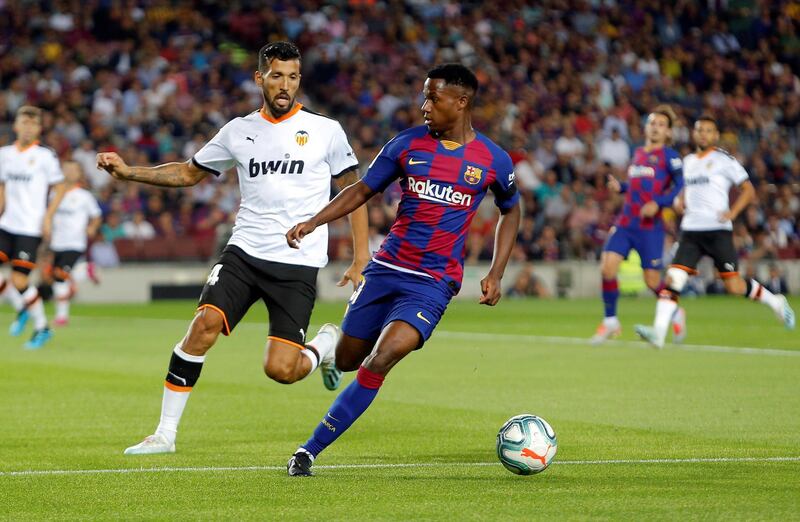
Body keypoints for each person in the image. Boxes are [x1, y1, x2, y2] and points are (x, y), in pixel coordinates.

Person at [97, 41, 369, 455]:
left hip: (297, 263)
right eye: (276, 75)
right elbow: (188, 173)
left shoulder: (325, 131)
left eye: (292, 77)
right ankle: (165, 435)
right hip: (243, 251)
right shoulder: (238, 131)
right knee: (202, 326)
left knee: (281, 369)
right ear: (259, 77)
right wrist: (129, 172)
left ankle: (325, 343)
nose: (285, 85)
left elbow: (355, 190)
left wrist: (360, 255)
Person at [284, 63, 521, 476]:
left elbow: (511, 210)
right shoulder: (406, 144)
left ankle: (308, 450)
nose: (424, 105)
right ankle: (328, 346)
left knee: (383, 357)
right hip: (386, 269)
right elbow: (362, 189)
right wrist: (314, 221)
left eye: (433, 97)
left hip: (432, 284)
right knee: (347, 360)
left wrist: (497, 272)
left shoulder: (493, 160)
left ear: (461, 102)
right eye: (424, 96)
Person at [636, 116, 795, 348]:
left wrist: (732, 212)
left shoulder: (723, 160)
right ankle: (658, 333)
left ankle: (776, 302)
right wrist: (679, 202)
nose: (703, 134)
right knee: (674, 278)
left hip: (718, 231)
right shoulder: (687, 161)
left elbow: (748, 190)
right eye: (699, 130)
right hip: (690, 231)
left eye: (708, 131)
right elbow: (680, 193)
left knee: (734, 287)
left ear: (715, 135)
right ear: (694, 134)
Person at [591, 105, 685, 345]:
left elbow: (680, 187)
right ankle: (610, 321)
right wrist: (621, 187)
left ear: (668, 133)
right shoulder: (639, 153)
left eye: (661, 124)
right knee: (607, 268)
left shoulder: (670, 157)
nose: (655, 127)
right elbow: (637, 185)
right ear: (646, 127)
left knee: (652, 281)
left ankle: (675, 310)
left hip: (650, 227)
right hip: (626, 222)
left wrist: (659, 203)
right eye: (652, 122)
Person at [0, 105, 67, 349]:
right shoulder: (4, 154)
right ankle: (23, 308)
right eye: (24, 123)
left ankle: (42, 327)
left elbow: (59, 188)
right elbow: (2, 187)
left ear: (39, 128)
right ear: (16, 125)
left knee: (19, 280)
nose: (28, 127)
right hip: (6, 224)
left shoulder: (45, 156)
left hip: (30, 228)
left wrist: (48, 217)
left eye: (33, 124)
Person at [49, 160, 102, 326]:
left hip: (75, 242)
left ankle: (62, 316)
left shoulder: (84, 196)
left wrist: (92, 227)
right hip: (56, 242)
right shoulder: (53, 194)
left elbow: (96, 215)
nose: (70, 173)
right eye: (67, 169)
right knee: (58, 279)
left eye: (74, 170)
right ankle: (84, 271)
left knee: (60, 276)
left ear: (79, 174)